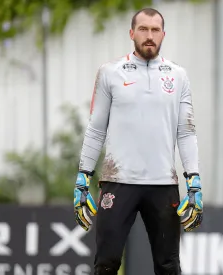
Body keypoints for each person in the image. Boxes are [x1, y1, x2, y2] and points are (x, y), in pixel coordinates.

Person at [72, 8, 203, 275]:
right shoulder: (110, 72)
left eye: (155, 30)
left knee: (168, 266)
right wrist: (83, 177)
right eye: (143, 29)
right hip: (118, 181)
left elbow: (186, 132)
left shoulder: (178, 76)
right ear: (132, 33)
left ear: (163, 35)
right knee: (106, 263)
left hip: (163, 184)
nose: (149, 36)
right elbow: (96, 130)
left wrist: (194, 181)